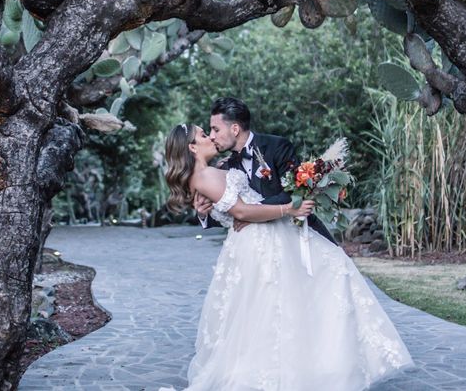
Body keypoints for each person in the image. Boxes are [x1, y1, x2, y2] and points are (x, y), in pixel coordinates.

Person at [162, 123, 415, 391]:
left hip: (265, 239)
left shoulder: (214, 170)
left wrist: (208, 211)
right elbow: (242, 212)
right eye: (203, 135)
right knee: (282, 305)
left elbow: (233, 206)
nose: (211, 137)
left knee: (298, 296)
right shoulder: (205, 176)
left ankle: (319, 366)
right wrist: (289, 209)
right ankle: (310, 370)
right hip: (260, 244)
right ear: (192, 147)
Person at [193, 97, 336, 244]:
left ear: (235, 129)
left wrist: (251, 213)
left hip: (301, 236)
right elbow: (230, 214)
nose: (211, 136)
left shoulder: (278, 146)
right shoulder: (225, 167)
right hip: (263, 247)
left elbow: (295, 193)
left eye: (216, 129)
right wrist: (204, 215)